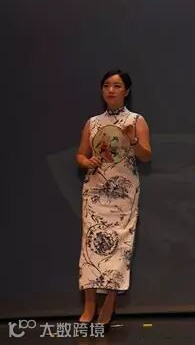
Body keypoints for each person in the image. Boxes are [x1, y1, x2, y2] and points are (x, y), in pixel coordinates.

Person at [75, 70, 151, 327]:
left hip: (123, 193)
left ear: (126, 91)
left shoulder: (136, 120)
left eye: (117, 86)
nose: (110, 90)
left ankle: (109, 303)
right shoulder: (93, 122)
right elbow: (80, 155)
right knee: (90, 246)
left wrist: (133, 140)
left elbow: (146, 155)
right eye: (106, 85)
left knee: (119, 246)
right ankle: (89, 305)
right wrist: (87, 161)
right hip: (95, 190)